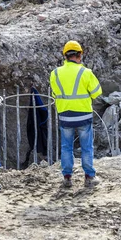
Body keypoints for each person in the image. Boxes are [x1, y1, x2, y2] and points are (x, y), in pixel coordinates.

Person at [50, 41, 102, 188]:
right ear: (79, 55)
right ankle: (89, 178)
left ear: (65, 56)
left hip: (65, 116)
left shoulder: (55, 73)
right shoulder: (86, 72)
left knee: (66, 147)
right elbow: (96, 92)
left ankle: (67, 178)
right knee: (87, 147)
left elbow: (55, 93)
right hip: (84, 116)